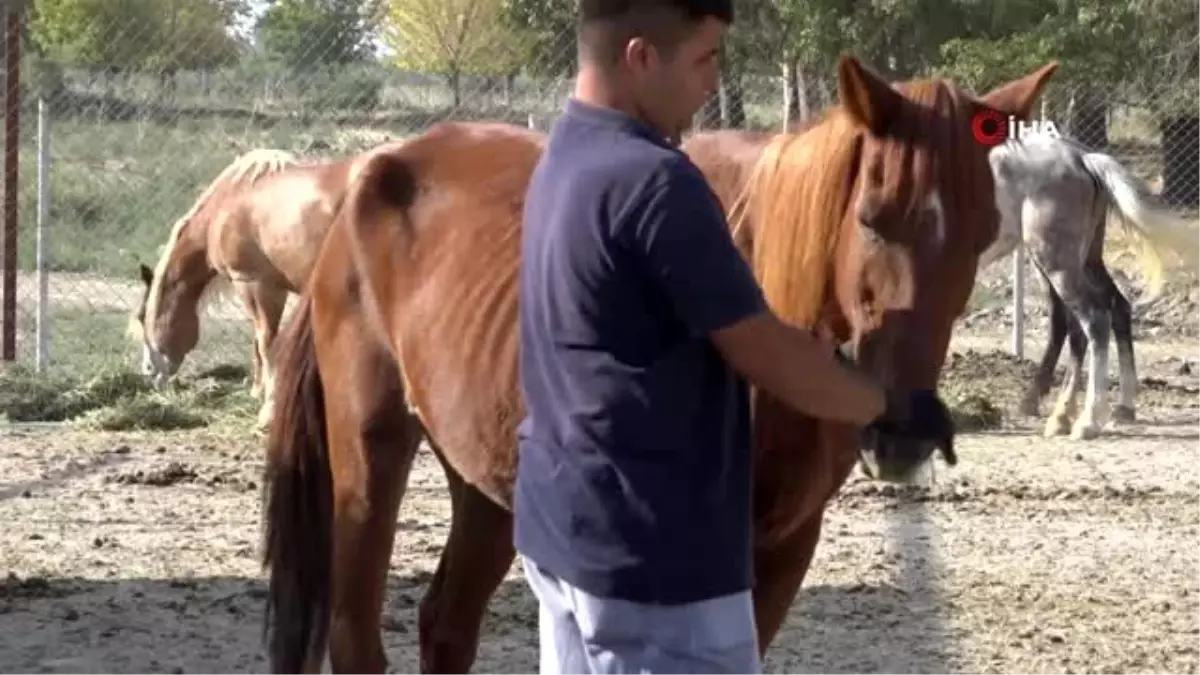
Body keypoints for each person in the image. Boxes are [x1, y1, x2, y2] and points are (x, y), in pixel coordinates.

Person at [514, 0, 955, 672]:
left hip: (564, 526)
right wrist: (890, 406)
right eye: (705, 58)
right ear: (640, 58)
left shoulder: (565, 155)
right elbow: (762, 351)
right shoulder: (656, 183)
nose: (713, 81)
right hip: (658, 560)